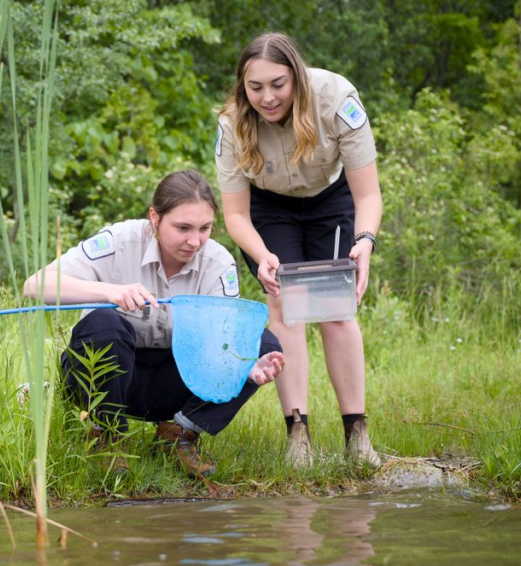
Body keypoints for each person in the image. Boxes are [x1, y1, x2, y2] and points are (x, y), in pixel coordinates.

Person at [23, 170, 285, 479]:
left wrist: (244, 369)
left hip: (175, 378)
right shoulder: (118, 241)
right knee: (104, 323)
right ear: (154, 217)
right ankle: (106, 436)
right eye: (182, 227)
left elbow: (224, 340)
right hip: (106, 372)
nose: (194, 241)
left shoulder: (218, 263)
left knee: (262, 344)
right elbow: (34, 285)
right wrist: (110, 292)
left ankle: (178, 434)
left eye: (205, 228)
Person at [215, 32, 383, 466]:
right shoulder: (233, 122)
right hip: (270, 207)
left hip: (331, 200)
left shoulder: (337, 98)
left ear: (297, 78)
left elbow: (368, 195)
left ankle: (357, 435)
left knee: (335, 309)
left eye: (278, 84)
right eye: (256, 88)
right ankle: (298, 435)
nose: (267, 97)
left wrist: (364, 243)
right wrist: (263, 255)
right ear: (242, 87)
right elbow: (234, 215)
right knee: (284, 305)